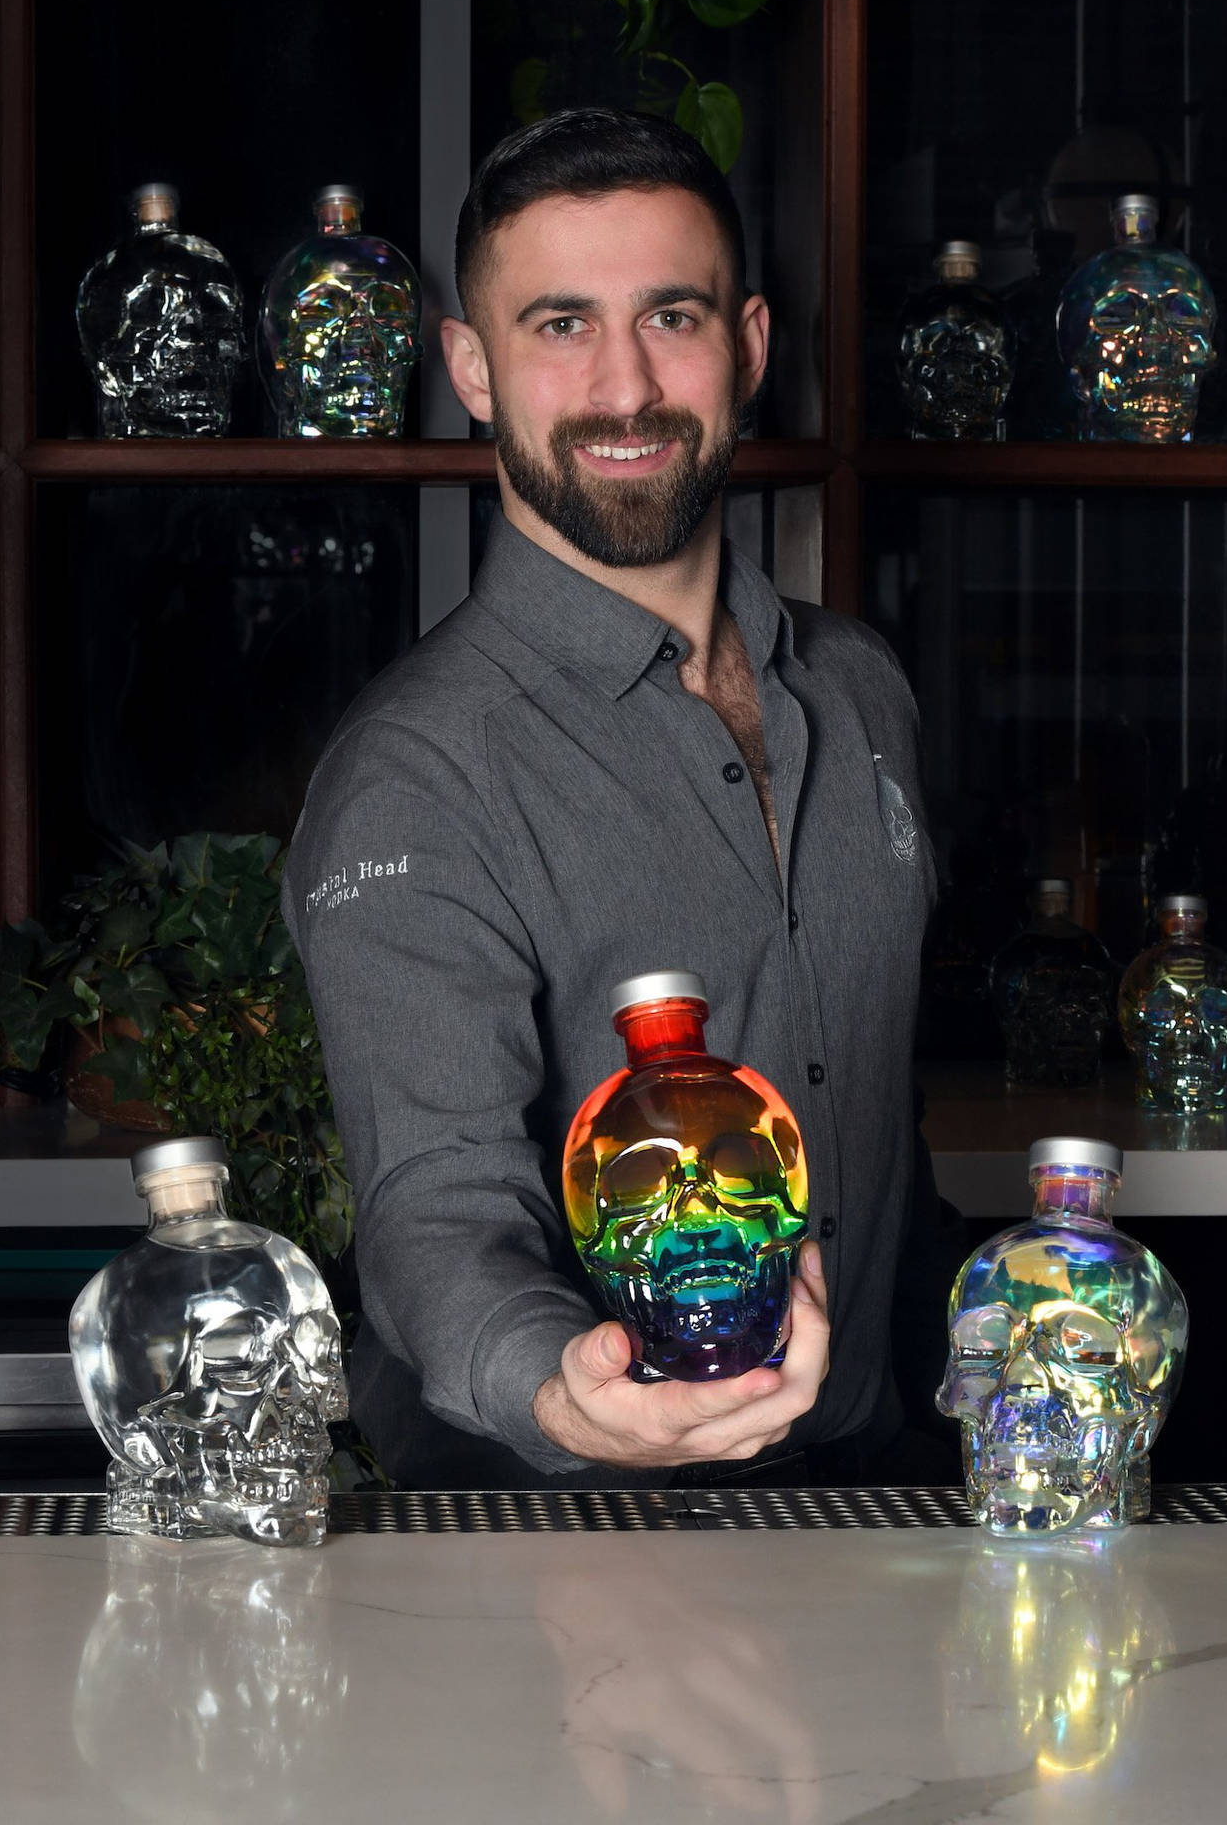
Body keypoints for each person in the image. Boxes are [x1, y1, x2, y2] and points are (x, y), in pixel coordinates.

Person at [283, 108, 956, 1490]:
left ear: (751, 344)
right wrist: (565, 1391)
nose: (628, 385)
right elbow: (437, 1203)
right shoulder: (419, 775)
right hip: (560, 1547)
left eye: (672, 314)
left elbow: (885, 1131)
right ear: (470, 366)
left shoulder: (862, 691)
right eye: (559, 325)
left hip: (877, 1507)